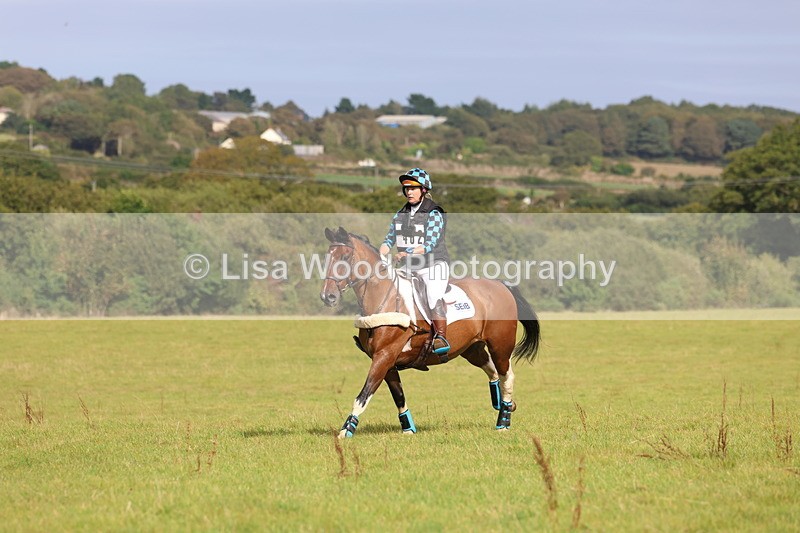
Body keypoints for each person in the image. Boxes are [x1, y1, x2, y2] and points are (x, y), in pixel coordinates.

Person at [379, 168, 451, 356]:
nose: (409, 192)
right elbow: (389, 239)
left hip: (434, 266)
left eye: (413, 188)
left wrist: (406, 253)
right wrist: (381, 251)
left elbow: (430, 243)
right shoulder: (400, 214)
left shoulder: (434, 212)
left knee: (433, 295)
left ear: (424, 190)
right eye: (406, 189)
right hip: (410, 268)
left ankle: (440, 337)